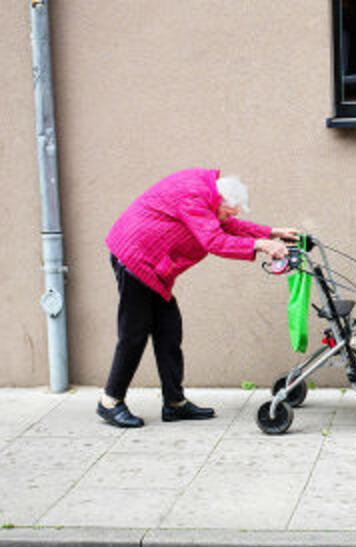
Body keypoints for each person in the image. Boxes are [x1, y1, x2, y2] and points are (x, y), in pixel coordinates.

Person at [96, 168, 298, 428]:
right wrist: (260, 245)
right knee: (134, 333)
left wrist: (271, 232)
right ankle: (109, 401)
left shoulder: (211, 197)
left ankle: (174, 403)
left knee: (169, 330)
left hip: (153, 266)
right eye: (227, 211)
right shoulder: (195, 197)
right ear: (220, 201)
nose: (227, 217)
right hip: (136, 259)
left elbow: (227, 225)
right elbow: (214, 240)